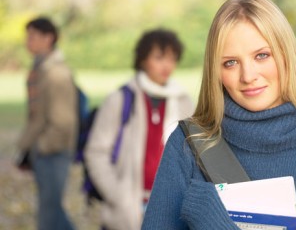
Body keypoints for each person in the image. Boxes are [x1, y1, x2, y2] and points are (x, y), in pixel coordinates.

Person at [142, 0, 296, 230]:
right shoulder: (188, 143)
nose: (248, 76)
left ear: (288, 56)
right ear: (216, 71)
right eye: (230, 62)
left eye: (262, 55)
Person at [84, 28, 194, 230]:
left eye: (172, 58)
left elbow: (195, 153)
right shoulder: (120, 99)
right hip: (127, 210)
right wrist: (118, 195)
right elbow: (96, 152)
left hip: (170, 208)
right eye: (159, 57)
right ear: (143, 59)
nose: (167, 65)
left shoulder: (184, 101)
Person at [17, 17, 77, 230]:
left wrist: (40, 147)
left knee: (49, 216)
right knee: (52, 213)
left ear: (48, 38)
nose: (28, 41)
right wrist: (26, 147)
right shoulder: (40, 69)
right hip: (44, 151)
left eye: (32, 36)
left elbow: (63, 122)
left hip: (54, 151)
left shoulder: (56, 73)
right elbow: (36, 115)